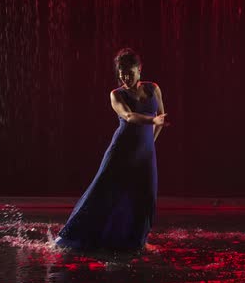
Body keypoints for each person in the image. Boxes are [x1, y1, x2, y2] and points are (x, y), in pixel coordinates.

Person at [55, 48, 167, 251]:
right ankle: (71, 238)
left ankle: (137, 242)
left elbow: (161, 118)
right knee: (103, 194)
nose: (125, 76)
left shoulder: (153, 89)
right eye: (121, 72)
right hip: (120, 153)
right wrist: (152, 120)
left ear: (139, 69)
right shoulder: (116, 94)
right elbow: (130, 117)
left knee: (146, 198)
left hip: (145, 155)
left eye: (129, 71)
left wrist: (150, 143)